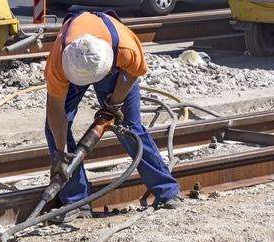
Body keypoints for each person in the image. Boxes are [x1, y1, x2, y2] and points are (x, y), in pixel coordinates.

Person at [44, 11, 183, 223]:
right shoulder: (59, 62)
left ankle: (167, 191)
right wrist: (61, 155)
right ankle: (76, 201)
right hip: (75, 68)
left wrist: (114, 103)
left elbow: (133, 73)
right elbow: (56, 112)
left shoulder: (126, 48)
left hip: (113, 70)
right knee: (54, 131)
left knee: (128, 127)